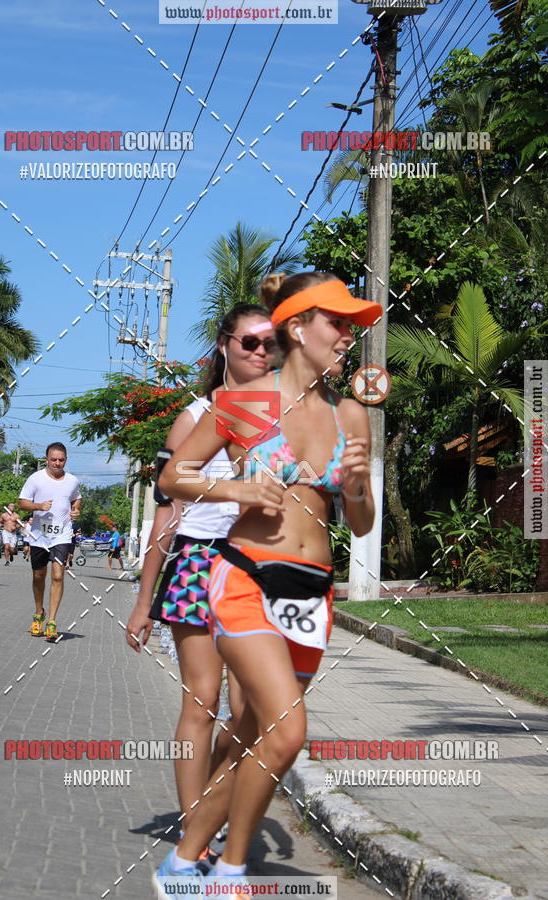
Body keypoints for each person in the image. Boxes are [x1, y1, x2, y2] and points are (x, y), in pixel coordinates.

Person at [154, 272, 380, 894]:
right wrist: (237, 489)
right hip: (245, 575)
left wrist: (357, 487)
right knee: (288, 732)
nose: (349, 337)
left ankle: (185, 861)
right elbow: (174, 476)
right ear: (298, 327)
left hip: (312, 589)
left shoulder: (351, 415)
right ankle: (230, 872)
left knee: (256, 736)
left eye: (352, 326)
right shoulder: (245, 401)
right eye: (338, 323)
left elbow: (361, 523)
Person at [125, 303, 278, 859]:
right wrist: (144, 601)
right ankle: (196, 831)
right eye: (248, 342)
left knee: (253, 711)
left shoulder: (285, 415)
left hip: (259, 568)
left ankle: (214, 806)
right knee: (202, 702)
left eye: (269, 343)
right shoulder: (195, 416)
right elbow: (166, 516)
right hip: (198, 563)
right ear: (224, 345)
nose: (259, 352)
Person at [18, 442, 82, 641]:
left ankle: (52, 621)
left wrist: (76, 510)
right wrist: (39, 506)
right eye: (53, 460)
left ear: (66, 460)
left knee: (57, 576)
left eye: (61, 460)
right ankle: (39, 613)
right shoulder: (35, 479)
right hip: (39, 536)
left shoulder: (72, 480)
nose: (57, 463)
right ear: (46, 459)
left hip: (62, 535)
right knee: (39, 576)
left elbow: (76, 498)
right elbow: (22, 503)